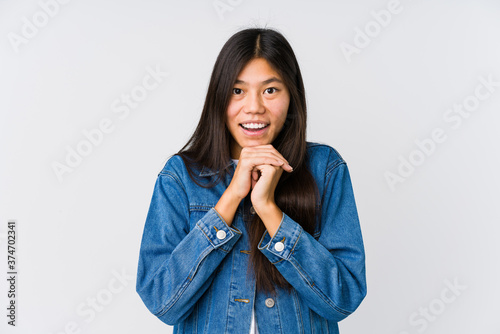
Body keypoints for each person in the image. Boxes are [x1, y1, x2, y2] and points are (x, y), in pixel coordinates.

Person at [136, 27, 366, 334]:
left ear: (292, 96)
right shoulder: (181, 176)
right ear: (219, 97)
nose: (254, 107)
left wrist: (268, 209)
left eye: (270, 90)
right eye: (237, 90)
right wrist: (231, 198)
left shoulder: (325, 169)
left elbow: (342, 299)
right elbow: (163, 302)